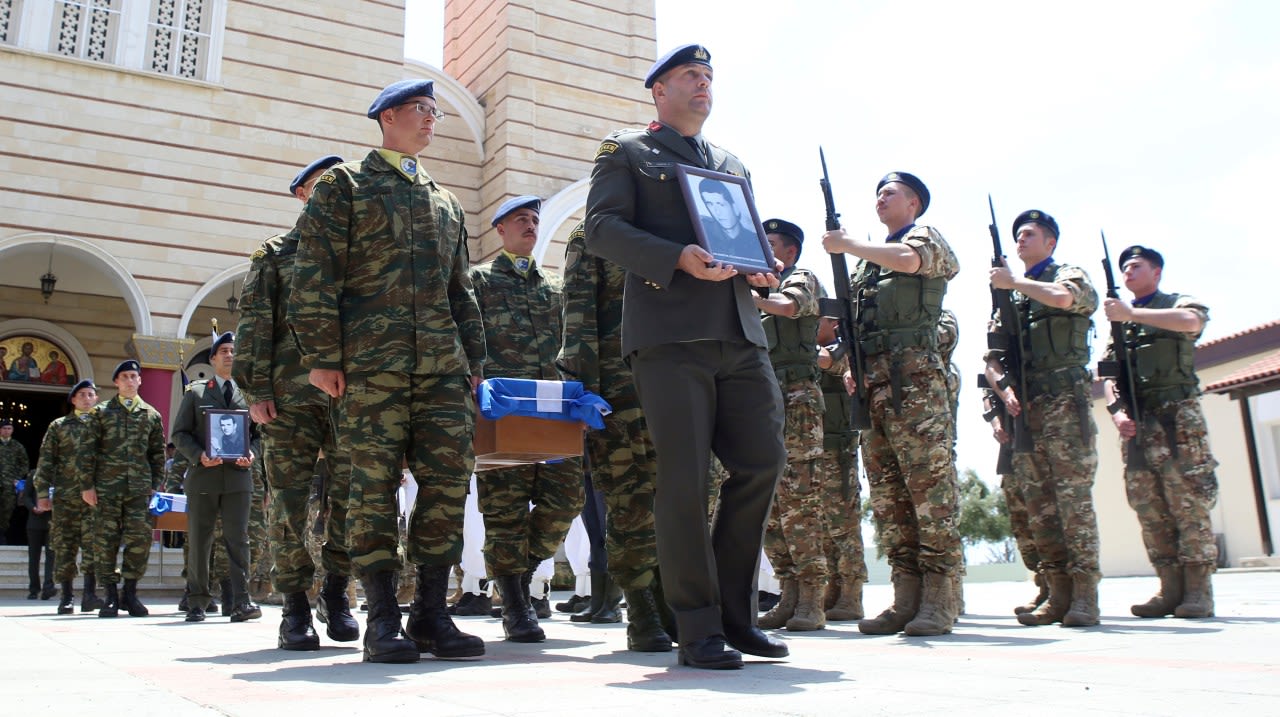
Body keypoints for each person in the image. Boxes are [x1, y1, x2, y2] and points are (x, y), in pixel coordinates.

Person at [586, 44, 789, 669]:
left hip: (740, 333)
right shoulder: (629, 153)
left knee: (762, 463)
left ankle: (736, 615)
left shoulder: (729, 162)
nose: (703, 85)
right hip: (670, 338)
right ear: (659, 90)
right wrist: (675, 258)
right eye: (690, 77)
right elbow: (601, 228)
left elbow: (742, 238)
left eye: (708, 77)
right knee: (685, 480)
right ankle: (696, 626)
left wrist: (762, 271)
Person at [288, 78, 487, 663]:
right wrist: (322, 356)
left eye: (435, 112)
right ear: (390, 116)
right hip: (370, 367)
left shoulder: (445, 201)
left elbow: (462, 293)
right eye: (423, 110)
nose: (432, 120)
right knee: (371, 488)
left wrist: (474, 364)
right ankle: (380, 618)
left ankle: (431, 613)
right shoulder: (345, 187)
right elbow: (314, 275)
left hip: (443, 371)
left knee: (449, 484)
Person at [821, 171, 962, 636]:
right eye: (878, 193)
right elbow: (852, 327)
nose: (881, 199)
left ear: (915, 204)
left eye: (891, 193)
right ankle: (906, 596)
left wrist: (848, 245)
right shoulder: (863, 266)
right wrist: (847, 362)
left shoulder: (924, 239)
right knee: (888, 495)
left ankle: (940, 598)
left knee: (929, 491)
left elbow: (910, 261)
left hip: (915, 381)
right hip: (873, 385)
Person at [234, 153, 357, 648]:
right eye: (322, 185)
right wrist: (256, 389)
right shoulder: (276, 253)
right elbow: (254, 322)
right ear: (302, 194)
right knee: (287, 502)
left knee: (353, 499)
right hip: (289, 395)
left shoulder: (359, 248)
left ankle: (335, 589)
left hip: (352, 397)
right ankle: (294, 604)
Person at [468, 195, 584, 642]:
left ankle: (518, 571)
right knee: (504, 510)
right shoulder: (478, 282)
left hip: (553, 411)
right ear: (500, 230)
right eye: (521, 220)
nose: (531, 226)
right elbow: (468, 339)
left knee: (565, 501)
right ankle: (516, 603)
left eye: (535, 220)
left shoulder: (554, 286)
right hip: (504, 413)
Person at [558, 220, 672, 651]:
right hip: (618, 386)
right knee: (630, 498)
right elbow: (577, 313)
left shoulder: (674, 228)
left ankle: (674, 602)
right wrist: (582, 391)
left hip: (676, 379)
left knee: (681, 495)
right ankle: (642, 609)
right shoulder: (593, 235)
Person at [984, 210, 1101, 627]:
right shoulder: (1009, 298)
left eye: (1029, 234)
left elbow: (1068, 298)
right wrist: (1004, 390)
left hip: (1065, 403)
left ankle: (1085, 595)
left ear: (1050, 243)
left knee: (1072, 502)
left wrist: (1015, 282)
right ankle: (1057, 592)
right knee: (1040, 506)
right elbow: (993, 360)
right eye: (1017, 235)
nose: (1020, 240)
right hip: (1025, 409)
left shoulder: (1067, 275)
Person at [1102, 245, 1220, 619]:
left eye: (1135, 266)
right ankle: (1170, 589)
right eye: (1124, 269)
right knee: (1149, 507)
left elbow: (1192, 322)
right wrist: (1117, 413)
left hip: (1176, 421)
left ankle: (1198, 591)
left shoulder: (1175, 303)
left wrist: (1131, 313)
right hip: (1139, 424)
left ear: (1156, 272)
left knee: (1188, 502)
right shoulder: (1119, 322)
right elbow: (1108, 375)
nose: (1128, 273)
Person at [752, 218, 829, 633]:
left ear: (789, 252)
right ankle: (788, 592)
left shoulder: (801, 278)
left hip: (797, 399)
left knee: (800, 502)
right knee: (772, 506)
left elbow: (788, 306)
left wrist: (746, 296)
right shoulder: (757, 289)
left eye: (771, 243)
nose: (762, 248)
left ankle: (812, 599)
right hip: (764, 400)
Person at [170, 332, 261, 623]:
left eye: (234, 350)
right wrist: (199, 455)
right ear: (212, 359)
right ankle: (197, 601)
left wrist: (253, 454)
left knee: (239, 540)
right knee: (200, 539)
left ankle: (240, 601)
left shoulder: (248, 394)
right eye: (223, 350)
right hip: (204, 477)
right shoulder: (196, 393)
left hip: (238, 477)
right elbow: (179, 434)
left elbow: (260, 435)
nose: (229, 355)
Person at [78, 359, 165, 617]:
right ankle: (110, 596)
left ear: (140, 380)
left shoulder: (151, 414)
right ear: (116, 382)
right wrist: (87, 486)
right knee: (105, 542)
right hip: (106, 489)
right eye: (124, 376)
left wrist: (153, 484)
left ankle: (130, 592)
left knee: (139, 540)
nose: (129, 380)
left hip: (139, 490)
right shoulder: (100, 412)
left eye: (133, 376)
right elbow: (87, 452)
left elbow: (157, 454)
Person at [34, 379, 105, 613]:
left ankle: (90, 594)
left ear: (96, 399)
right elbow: (46, 461)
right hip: (66, 497)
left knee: (94, 545)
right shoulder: (59, 426)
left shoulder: (103, 424)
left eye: (90, 394)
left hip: (95, 498)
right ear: (73, 400)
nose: (86, 398)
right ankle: (66, 596)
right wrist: (43, 493)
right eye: (82, 394)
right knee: (65, 546)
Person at [814, 316, 868, 621]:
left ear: (833, 322)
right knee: (823, 526)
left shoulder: (842, 349)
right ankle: (833, 588)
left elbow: (825, 362)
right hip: (817, 446)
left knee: (844, 523)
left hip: (838, 447)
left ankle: (852, 592)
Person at [22, 470, 56, 600]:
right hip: (34, 522)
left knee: (51, 555)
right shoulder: (34, 474)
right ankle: (34, 589)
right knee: (34, 557)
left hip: (52, 521)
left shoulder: (58, 474)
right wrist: (33, 508)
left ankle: (48, 586)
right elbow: (26, 496)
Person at [697, 179, 752, 258]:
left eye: (721, 204)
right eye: (710, 204)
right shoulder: (704, 233)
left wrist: (769, 261)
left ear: (735, 207)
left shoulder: (754, 241)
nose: (717, 212)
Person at [0, 418, 28, 544]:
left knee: (7, 509)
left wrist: (16, 478)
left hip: (9, 485)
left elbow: (24, 464)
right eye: (4, 428)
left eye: (9, 428)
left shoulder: (17, 446)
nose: (6, 431)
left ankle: (3, 534)